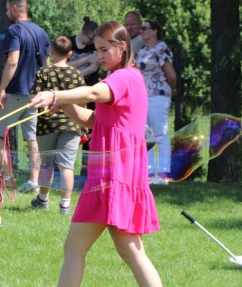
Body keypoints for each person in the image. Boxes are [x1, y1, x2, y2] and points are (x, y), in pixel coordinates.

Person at [28, 21, 161, 286]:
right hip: (105, 178)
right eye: (96, 49)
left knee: (130, 251)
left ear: (121, 47)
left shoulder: (124, 77)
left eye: (103, 49)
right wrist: (64, 106)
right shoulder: (124, 78)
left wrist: (56, 95)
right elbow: (95, 119)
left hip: (116, 177)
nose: (98, 56)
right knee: (82, 248)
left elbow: (91, 92)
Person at [0, 0, 51, 194]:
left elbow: (12, 61)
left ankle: (7, 176)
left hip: (16, 92)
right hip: (35, 95)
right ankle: (33, 181)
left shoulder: (15, 30)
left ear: (14, 8)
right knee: (32, 139)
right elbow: (47, 66)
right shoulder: (42, 32)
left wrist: (1, 89)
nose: (6, 13)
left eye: (7, 9)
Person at [29, 36, 86, 215]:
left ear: (51, 51)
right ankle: (65, 206)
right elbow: (83, 100)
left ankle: (43, 200)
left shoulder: (43, 72)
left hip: (47, 125)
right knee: (67, 166)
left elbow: (34, 99)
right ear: (70, 54)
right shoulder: (76, 74)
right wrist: (85, 124)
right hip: (72, 124)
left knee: (46, 164)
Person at [136, 20, 176, 185]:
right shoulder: (141, 50)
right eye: (141, 28)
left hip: (158, 96)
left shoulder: (161, 48)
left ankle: (164, 176)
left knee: (160, 134)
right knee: (147, 136)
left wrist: (171, 89)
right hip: (142, 97)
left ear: (155, 31)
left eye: (144, 28)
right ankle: (149, 174)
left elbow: (171, 75)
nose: (141, 30)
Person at [66, 16, 100, 175]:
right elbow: (63, 65)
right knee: (69, 125)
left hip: (89, 89)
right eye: (90, 39)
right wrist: (85, 59)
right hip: (70, 90)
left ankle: (86, 167)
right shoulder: (69, 43)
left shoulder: (95, 46)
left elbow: (94, 68)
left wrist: (74, 73)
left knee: (89, 127)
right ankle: (65, 165)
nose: (91, 43)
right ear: (83, 33)